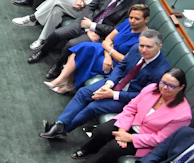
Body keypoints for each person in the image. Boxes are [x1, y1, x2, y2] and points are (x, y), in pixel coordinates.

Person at [41, 30, 171, 139]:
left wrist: (113, 94)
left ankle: (63, 129)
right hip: (114, 84)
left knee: (94, 106)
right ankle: (59, 124)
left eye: (148, 47)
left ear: (159, 46)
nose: (143, 49)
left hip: (127, 99)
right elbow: (121, 66)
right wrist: (109, 84)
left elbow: (143, 97)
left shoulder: (162, 70)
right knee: (83, 93)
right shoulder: (135, 48)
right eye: (142, 45)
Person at [70, 68, 191, 163]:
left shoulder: (182, 115)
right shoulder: (152, 88)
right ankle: (87, 149)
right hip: (130, 122)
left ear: (181, 87)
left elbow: (159, 139)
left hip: (144, 139)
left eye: (171, 86)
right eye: (163, 82)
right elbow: (131, 107)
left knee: (114, 147)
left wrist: (130, 138)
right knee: (102, 130)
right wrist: (122, 130)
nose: (164, 87)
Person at [28, 0, 138, 68]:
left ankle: (57, 66)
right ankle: (42, 52)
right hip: (85, 22)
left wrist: (92, 26)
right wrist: (88, 23)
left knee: (71, 44)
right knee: (57, 34)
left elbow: (116, 29)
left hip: (99, 33)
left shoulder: (132, 8)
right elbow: (91, 7)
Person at [46, 3, 149, 93]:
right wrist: (108, 53)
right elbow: (108, 38)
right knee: (82, 48)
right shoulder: (127, 23)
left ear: (146, 19)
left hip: (116, 64)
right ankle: (62, 79)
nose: (132, 21)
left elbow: (125, 60)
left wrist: (109, 50)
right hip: (106, 52)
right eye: (131, 17)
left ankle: (69, 84)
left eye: (137, 19)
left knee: (84, 57)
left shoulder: (144, 39)